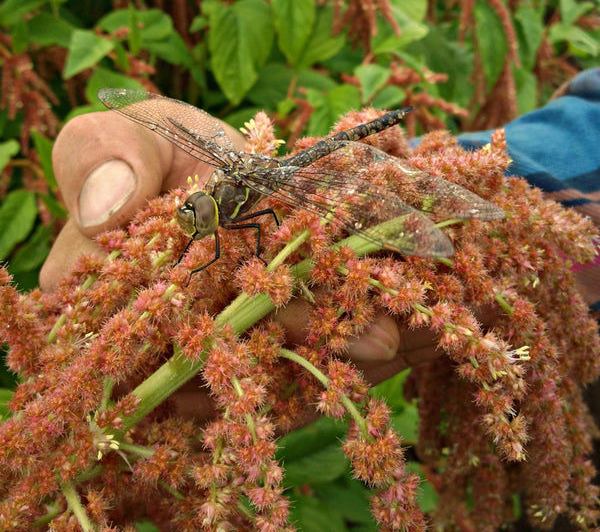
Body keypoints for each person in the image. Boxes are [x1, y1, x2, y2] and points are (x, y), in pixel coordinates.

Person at [40, 68, 600, 420]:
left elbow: (258, 228)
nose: (194, 219)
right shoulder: (211, 194)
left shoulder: (250, 204)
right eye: (194, 211)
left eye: (196, 214)